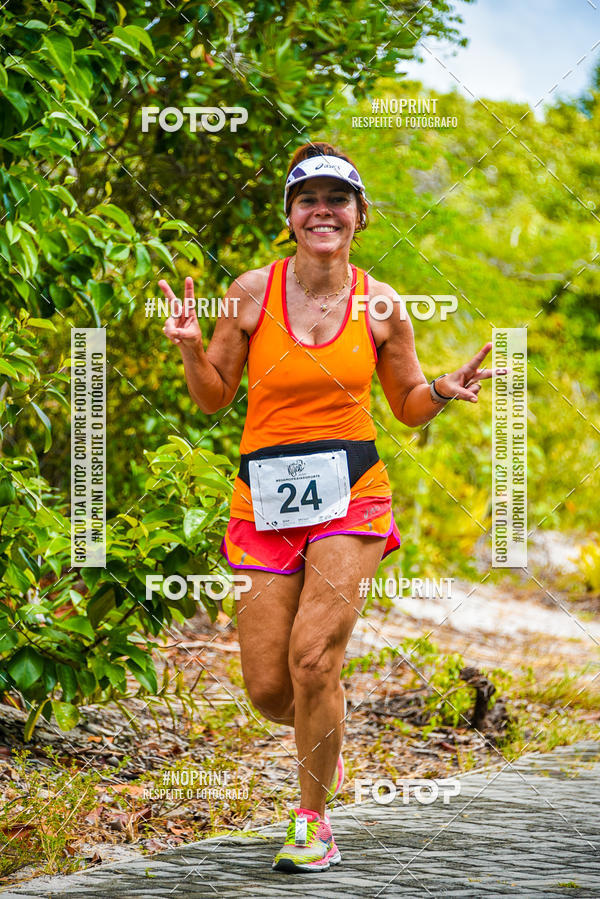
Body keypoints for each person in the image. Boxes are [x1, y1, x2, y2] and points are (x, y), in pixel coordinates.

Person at [159, 141, 500, 874]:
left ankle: (312, 821)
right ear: (289, 217)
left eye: (336, 198)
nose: (323, 209)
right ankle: (328, 740)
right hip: (263, 499)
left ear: (359, 215)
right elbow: (216, 393)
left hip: (352, 492)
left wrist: (440, 387)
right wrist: (192, 348)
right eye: (308, 198)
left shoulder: (381, 305)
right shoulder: (250, 293)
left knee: (315, 659)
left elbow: (406, 405)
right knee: (269, 686)